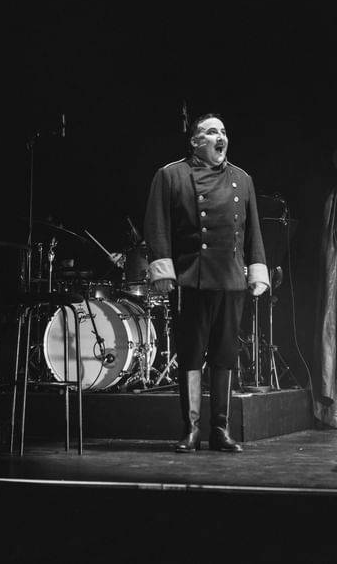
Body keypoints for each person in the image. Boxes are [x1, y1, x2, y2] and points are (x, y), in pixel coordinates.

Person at [144, 113, 269, 453]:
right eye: (212, 131)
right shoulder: (171, 175)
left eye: (224, 131)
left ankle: (220, 430)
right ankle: (191, 429)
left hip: (230, 277)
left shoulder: (242, 179)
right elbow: (156, 223)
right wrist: (164, 270)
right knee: (191, 356)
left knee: (225, 355)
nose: (220, 137)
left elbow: (253, 229)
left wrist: (257, 270)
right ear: (196, 141)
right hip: (191, 277)